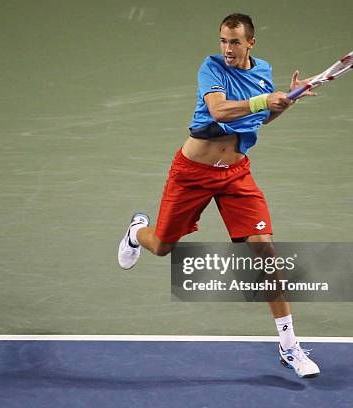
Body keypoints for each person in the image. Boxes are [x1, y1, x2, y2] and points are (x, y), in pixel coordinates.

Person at [117, 13, 320, 378]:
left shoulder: (263, 70)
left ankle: (289, 347)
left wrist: (288, 100)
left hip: (236, 176)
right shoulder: (211, 68)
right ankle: (136, 232)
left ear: (250, 43)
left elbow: (256, 119)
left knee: (266, 255)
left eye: (235, 42)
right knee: (162, 246)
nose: (227, 49)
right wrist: (264, 101)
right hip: (191, 174)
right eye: (223, 41)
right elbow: (219, 110)